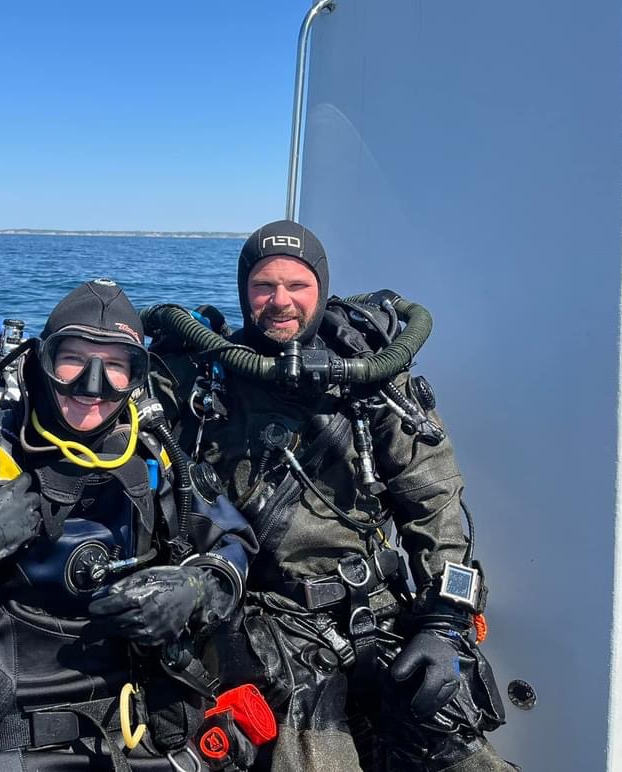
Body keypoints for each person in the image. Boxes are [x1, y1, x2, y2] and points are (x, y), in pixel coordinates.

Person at [0, 279, 259, 771]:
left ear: (136, 378)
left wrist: (196, 588)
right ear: (42, 361)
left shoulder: (152, 459)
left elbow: (234, 542)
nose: (92, 386)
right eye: (74, 359)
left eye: (116, 367)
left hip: (129, 724)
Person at [145, 220, 513, 771]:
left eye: (298, 285)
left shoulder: (372, 379)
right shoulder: (210, 379)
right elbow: (111, 409)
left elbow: (436, 506)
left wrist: (446, 624)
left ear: (321, 289)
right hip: (273, 621)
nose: (280, 301)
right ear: (245, 293)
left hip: (380, 610)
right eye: (264, 286)